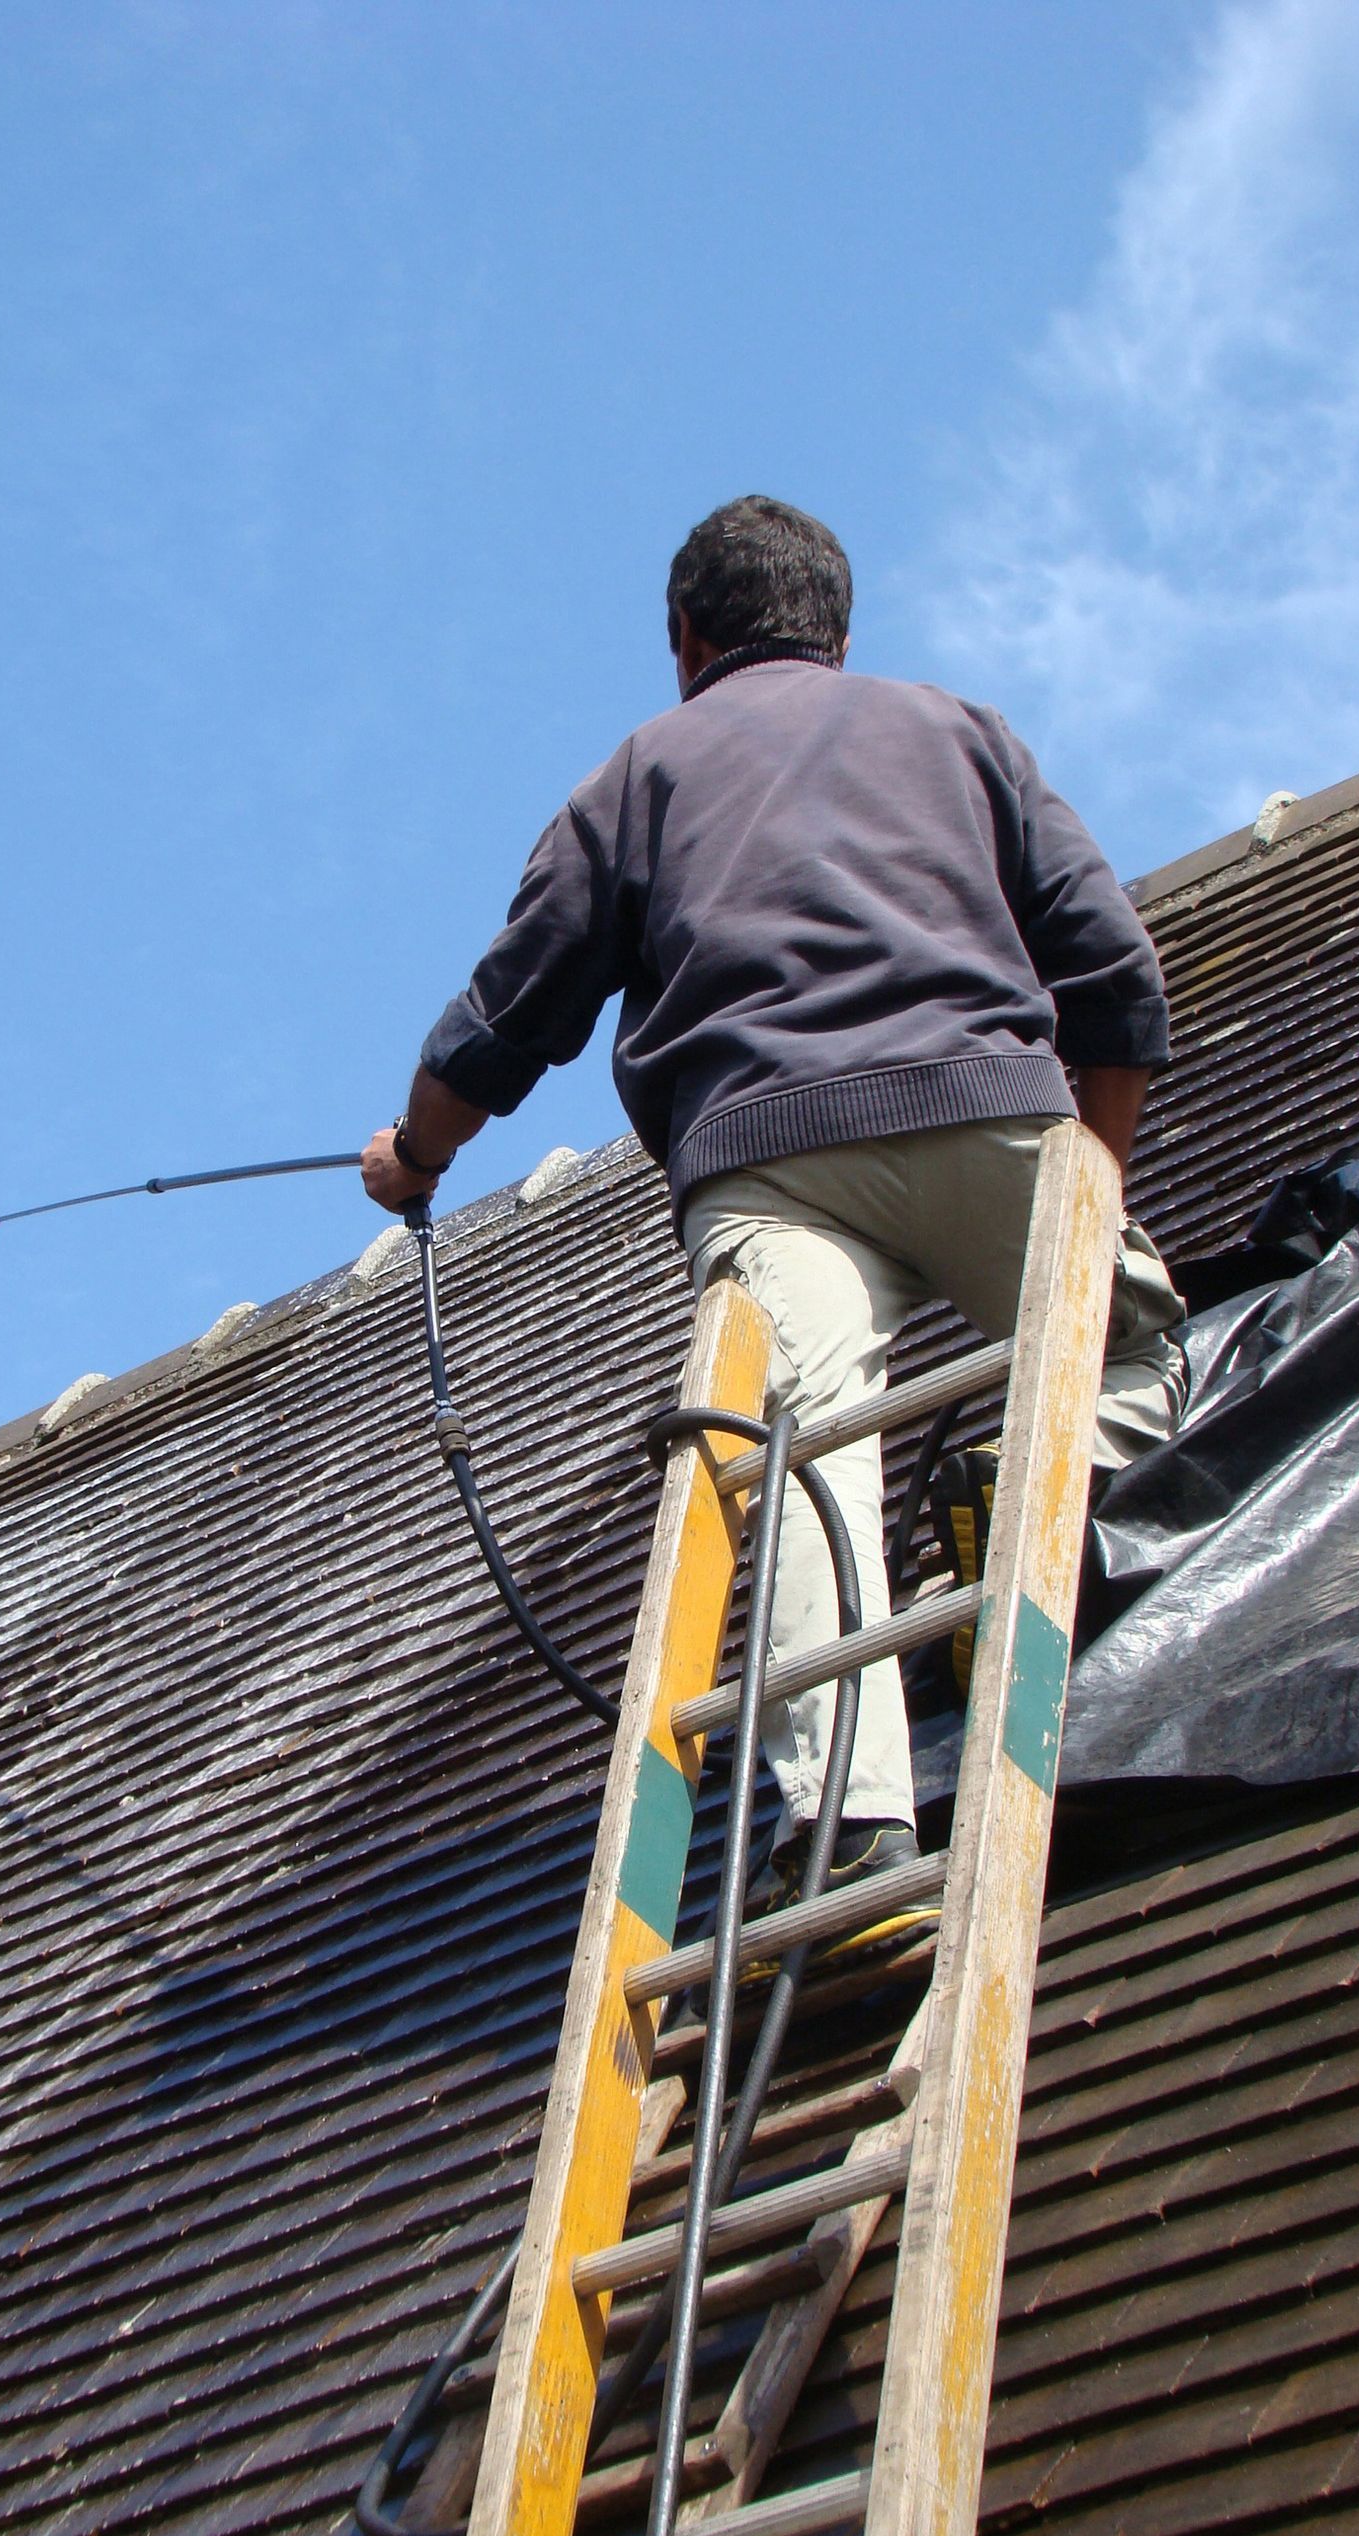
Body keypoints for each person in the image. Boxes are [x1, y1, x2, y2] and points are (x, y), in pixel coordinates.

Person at [363, 495, 1184, 1908]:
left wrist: (414, 1158)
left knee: (807, 1464)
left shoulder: (637, 777)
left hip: (765, 1158)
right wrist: (1089, 1192)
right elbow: (1116, 976)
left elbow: (512, 1012)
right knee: (1128, 1354)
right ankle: (1041, 1478)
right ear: (841, 634)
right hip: (990, 1110)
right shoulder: (961, 733)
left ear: (684, 639)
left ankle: (852, 1833)